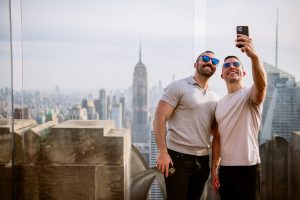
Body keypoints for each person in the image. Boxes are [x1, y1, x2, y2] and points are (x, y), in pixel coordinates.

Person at [153, 51, 219, 200]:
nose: (210, 62)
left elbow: (216, 133)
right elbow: (159, 118)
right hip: (176, 159)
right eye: (206, 59)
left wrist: (214, 166)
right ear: (195, 64)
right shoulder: (178, 86)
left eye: (214, 61)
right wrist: (162, 152)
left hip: (202, 161)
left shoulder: (214, 98)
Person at [211, 34, 267, 200]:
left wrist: (254, 57)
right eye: (227, 65)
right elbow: (218, 139)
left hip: (248, 169)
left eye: (236, 64)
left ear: (243, 72)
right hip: (226, 171)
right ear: (222, 75)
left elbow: (262, 86)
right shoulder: (219, 104)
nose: (231, 66)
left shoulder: (249, 94)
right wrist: (214, 169)